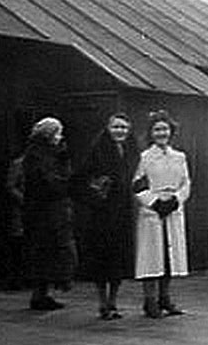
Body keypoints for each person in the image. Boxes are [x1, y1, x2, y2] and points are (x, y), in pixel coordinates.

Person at [77, 113, 140, 320]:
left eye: (124, 128)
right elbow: (81, 179)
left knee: (118, 259)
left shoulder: (132, 151)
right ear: (108, 129)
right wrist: (96, 193)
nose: (120, 131)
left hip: (123, 212)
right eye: (116, 127)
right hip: (101, 214)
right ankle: (102, 302)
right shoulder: (97, 151)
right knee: (102, 259)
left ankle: (114, 301)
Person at [133, 110, 190, 318]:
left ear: (171, 131)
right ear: (151, 133)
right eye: (157, 129)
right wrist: (154, 203)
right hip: (153, 212)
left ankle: (165, 298)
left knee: (169, 257)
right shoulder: (144, 157)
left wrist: (176, 200)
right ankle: (150, 301)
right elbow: (137, 184)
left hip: (173, 210)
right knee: (151, 258)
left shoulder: (180, 157)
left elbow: (186, 183)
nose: (161, 133)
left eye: (165, 129)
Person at [22, 117, 77, 310]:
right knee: (44, 251)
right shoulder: (36, 154)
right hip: (43, 210)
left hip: (52, 209)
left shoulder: (53, 152)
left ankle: (43, 293)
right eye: (57, 132)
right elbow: (45, 180)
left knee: (50, 251)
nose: (60, 136)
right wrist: (63, 184)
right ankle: (40, 294)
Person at [4, 153, 25, 290]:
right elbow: (10, 186)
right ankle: (16, 277)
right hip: (22, 209)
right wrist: (23, 200)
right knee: (18, 243)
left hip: (38, 210)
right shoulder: (19, 164)